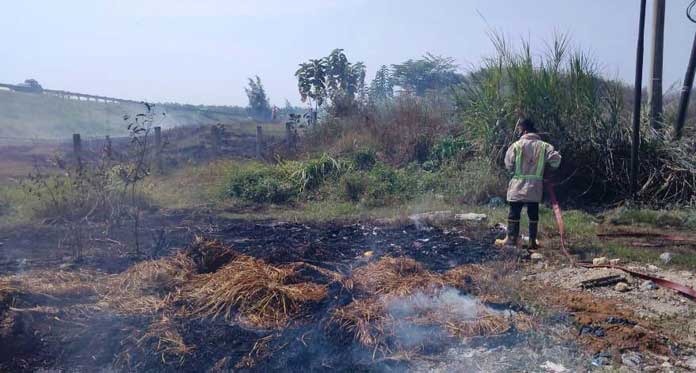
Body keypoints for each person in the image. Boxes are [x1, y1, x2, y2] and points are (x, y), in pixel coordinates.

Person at [498, 118, 561, 250]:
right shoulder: (545, 146)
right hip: (535, 186)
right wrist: (547, 168)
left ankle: (511, 239)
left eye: (520, 130)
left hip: (518, 185)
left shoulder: (516, 145)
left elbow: (508, 164)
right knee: (533, 213)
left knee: (514, 212)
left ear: (525, 130)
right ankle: (532, 241)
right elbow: (556, 160)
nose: (519, 133)